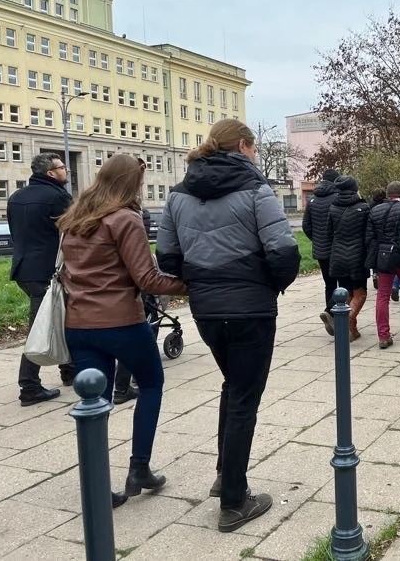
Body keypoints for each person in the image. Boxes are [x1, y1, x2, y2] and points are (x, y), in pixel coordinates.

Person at [157, 119, 300, 532]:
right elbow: (284, 251)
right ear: (243, 146)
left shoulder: (178, 195)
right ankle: (235, 501)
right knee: (244, 397)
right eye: (254, 148)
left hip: (206, 308)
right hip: (251, 307)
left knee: (232, 386)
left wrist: (200, 279)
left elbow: (166, 255)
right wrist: (269, 284)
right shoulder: (257, 191)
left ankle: (225, 473)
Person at [59, 155, 186, 509]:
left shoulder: (75, 218)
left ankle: (97, 484)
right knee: (151, 384)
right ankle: (138, 468)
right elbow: (147, 278)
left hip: (79, 324)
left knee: (93, 404)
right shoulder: (125, 219)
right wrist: (193, 285)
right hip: (121, 322)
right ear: (131, 182)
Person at [6, 152, 75, 405]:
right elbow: (73, 233)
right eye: (61, 167)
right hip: (49, 272)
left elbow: (17, 233)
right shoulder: (58, 197)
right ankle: (29, 386)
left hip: (23, 269)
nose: (65, 170)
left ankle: (69, 371)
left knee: (62, 317)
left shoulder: (16, 197)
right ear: (51, 173)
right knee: (42, 325)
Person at [366, 181, 400, 349]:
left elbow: (369, 238)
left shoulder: (375, 210)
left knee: (382, 296)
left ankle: (383, 335)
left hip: (384, 257)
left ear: (388, 193)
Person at [326, 175, 370, 342]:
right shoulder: (364, 207)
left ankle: (352, 330)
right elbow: (368, 234)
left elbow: (328, 233)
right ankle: (345, 322)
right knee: (360, 293)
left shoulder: (333, 208)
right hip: (357, 257)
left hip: (337, 256)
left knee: (346, 293)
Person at [302, 168, 340, 334]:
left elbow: (306, 226)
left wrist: (316, 239)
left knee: (329, 283)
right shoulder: (337, 198)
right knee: (342, 284)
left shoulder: (312, 200)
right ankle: (332, 311)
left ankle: (330, 314)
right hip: (336, 248)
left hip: (320, 249)